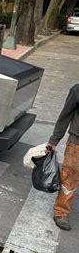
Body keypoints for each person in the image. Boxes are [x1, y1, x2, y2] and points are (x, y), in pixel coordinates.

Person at [47, 84, 79, 231]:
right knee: (69, 180)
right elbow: (65, 117)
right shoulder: (77, 90)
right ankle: (61, 212)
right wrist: (53, 141)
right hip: (77, 143)